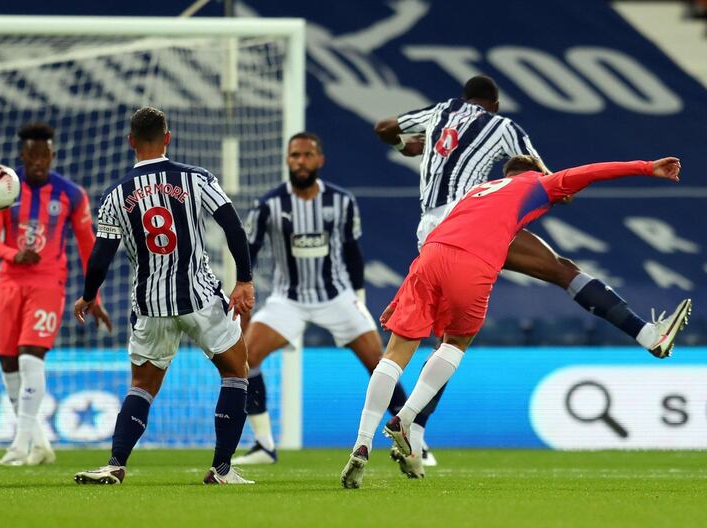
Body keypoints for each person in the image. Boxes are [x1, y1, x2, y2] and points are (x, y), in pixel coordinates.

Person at [374, 75, 680, 477]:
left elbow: (385, 128)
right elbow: (547, 179)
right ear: (495, 105)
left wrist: (408, 148)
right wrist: (548, 183)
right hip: (467, 220)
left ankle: (414, 429)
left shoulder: (439, 112)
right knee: (561, 270)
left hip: (429, 229)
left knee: (447, 340)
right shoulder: (505, 128)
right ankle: (648, 336)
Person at [340, 155, 691, 489]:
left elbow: (442, 238)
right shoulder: (535, 183)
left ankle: (363, 443)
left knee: (396, 354)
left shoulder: (479, 190)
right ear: (535, 171)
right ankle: (407, 420)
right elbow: (590, 172)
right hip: (473, 258)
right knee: (456, 343)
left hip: (432, 249)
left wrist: (403, 294)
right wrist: (646, 167)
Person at [72, 107, 256, 485]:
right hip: (200, 298)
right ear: (167, 138)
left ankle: (115, 464)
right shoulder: (197, 179)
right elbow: (233, 227)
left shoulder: (115, 194)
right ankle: (221, 468)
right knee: (236, 371)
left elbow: (100, 256)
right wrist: (245, 280)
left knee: (142, 387)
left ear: (131, 142)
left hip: (150, 304)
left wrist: (89, 296)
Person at [231, 132, 409, 465]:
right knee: (243, 359)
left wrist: (358, 297)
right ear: (287, 160)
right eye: (295, 155)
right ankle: (264, 445)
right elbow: (250, 251)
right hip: (288, 299)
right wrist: (245, 288)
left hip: (337, 296)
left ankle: (413, 438)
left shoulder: (341, 201)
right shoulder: (269, 204)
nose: (301, 161)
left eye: (307, 155)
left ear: (320, 160)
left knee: (381, 364)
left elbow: (354, 253)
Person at [0, 122, 112, 466]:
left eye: (45, 154)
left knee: (29, 358)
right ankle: (39, 444)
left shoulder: (71, 194)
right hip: (10, 283)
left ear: (53, 155)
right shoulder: (4, 190)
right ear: (22, 155)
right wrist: (14, 254)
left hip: (47, 284)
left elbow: (88, 247)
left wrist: (93, 295)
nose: (39, 160)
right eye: (32, 154)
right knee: (9, 364)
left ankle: (18, 447)